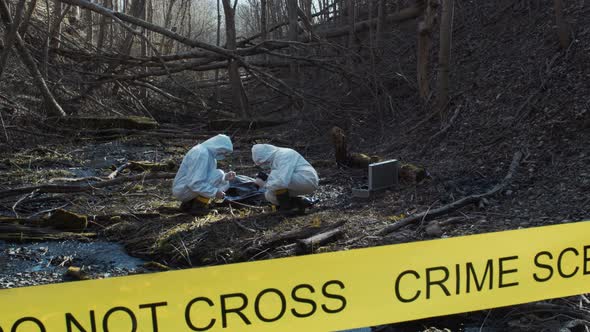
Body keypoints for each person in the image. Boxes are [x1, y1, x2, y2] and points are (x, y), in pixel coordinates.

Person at [173, 134, 236, 211]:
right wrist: (215, 192)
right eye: (224, 151)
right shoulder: (201, 153)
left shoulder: (207, 154)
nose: (224, 155)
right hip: (183, 190)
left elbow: (205, 176)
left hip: (184, 188)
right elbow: (195, 183)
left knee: (220, 175)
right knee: (218, 174)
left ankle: (189, 204)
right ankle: (199, 207)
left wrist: (225, 177)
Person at [251, 144, 319, 211]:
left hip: (307, 179)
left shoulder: (284, 155)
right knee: (270, 195)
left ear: (267, 156)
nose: (263, 165)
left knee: (275, 181)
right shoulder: (276, 159)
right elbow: (280, 179)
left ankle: (288, 209)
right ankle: (301, 204)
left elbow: (281, 182)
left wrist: (265, 184)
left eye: (263, 162)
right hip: (298, 180)